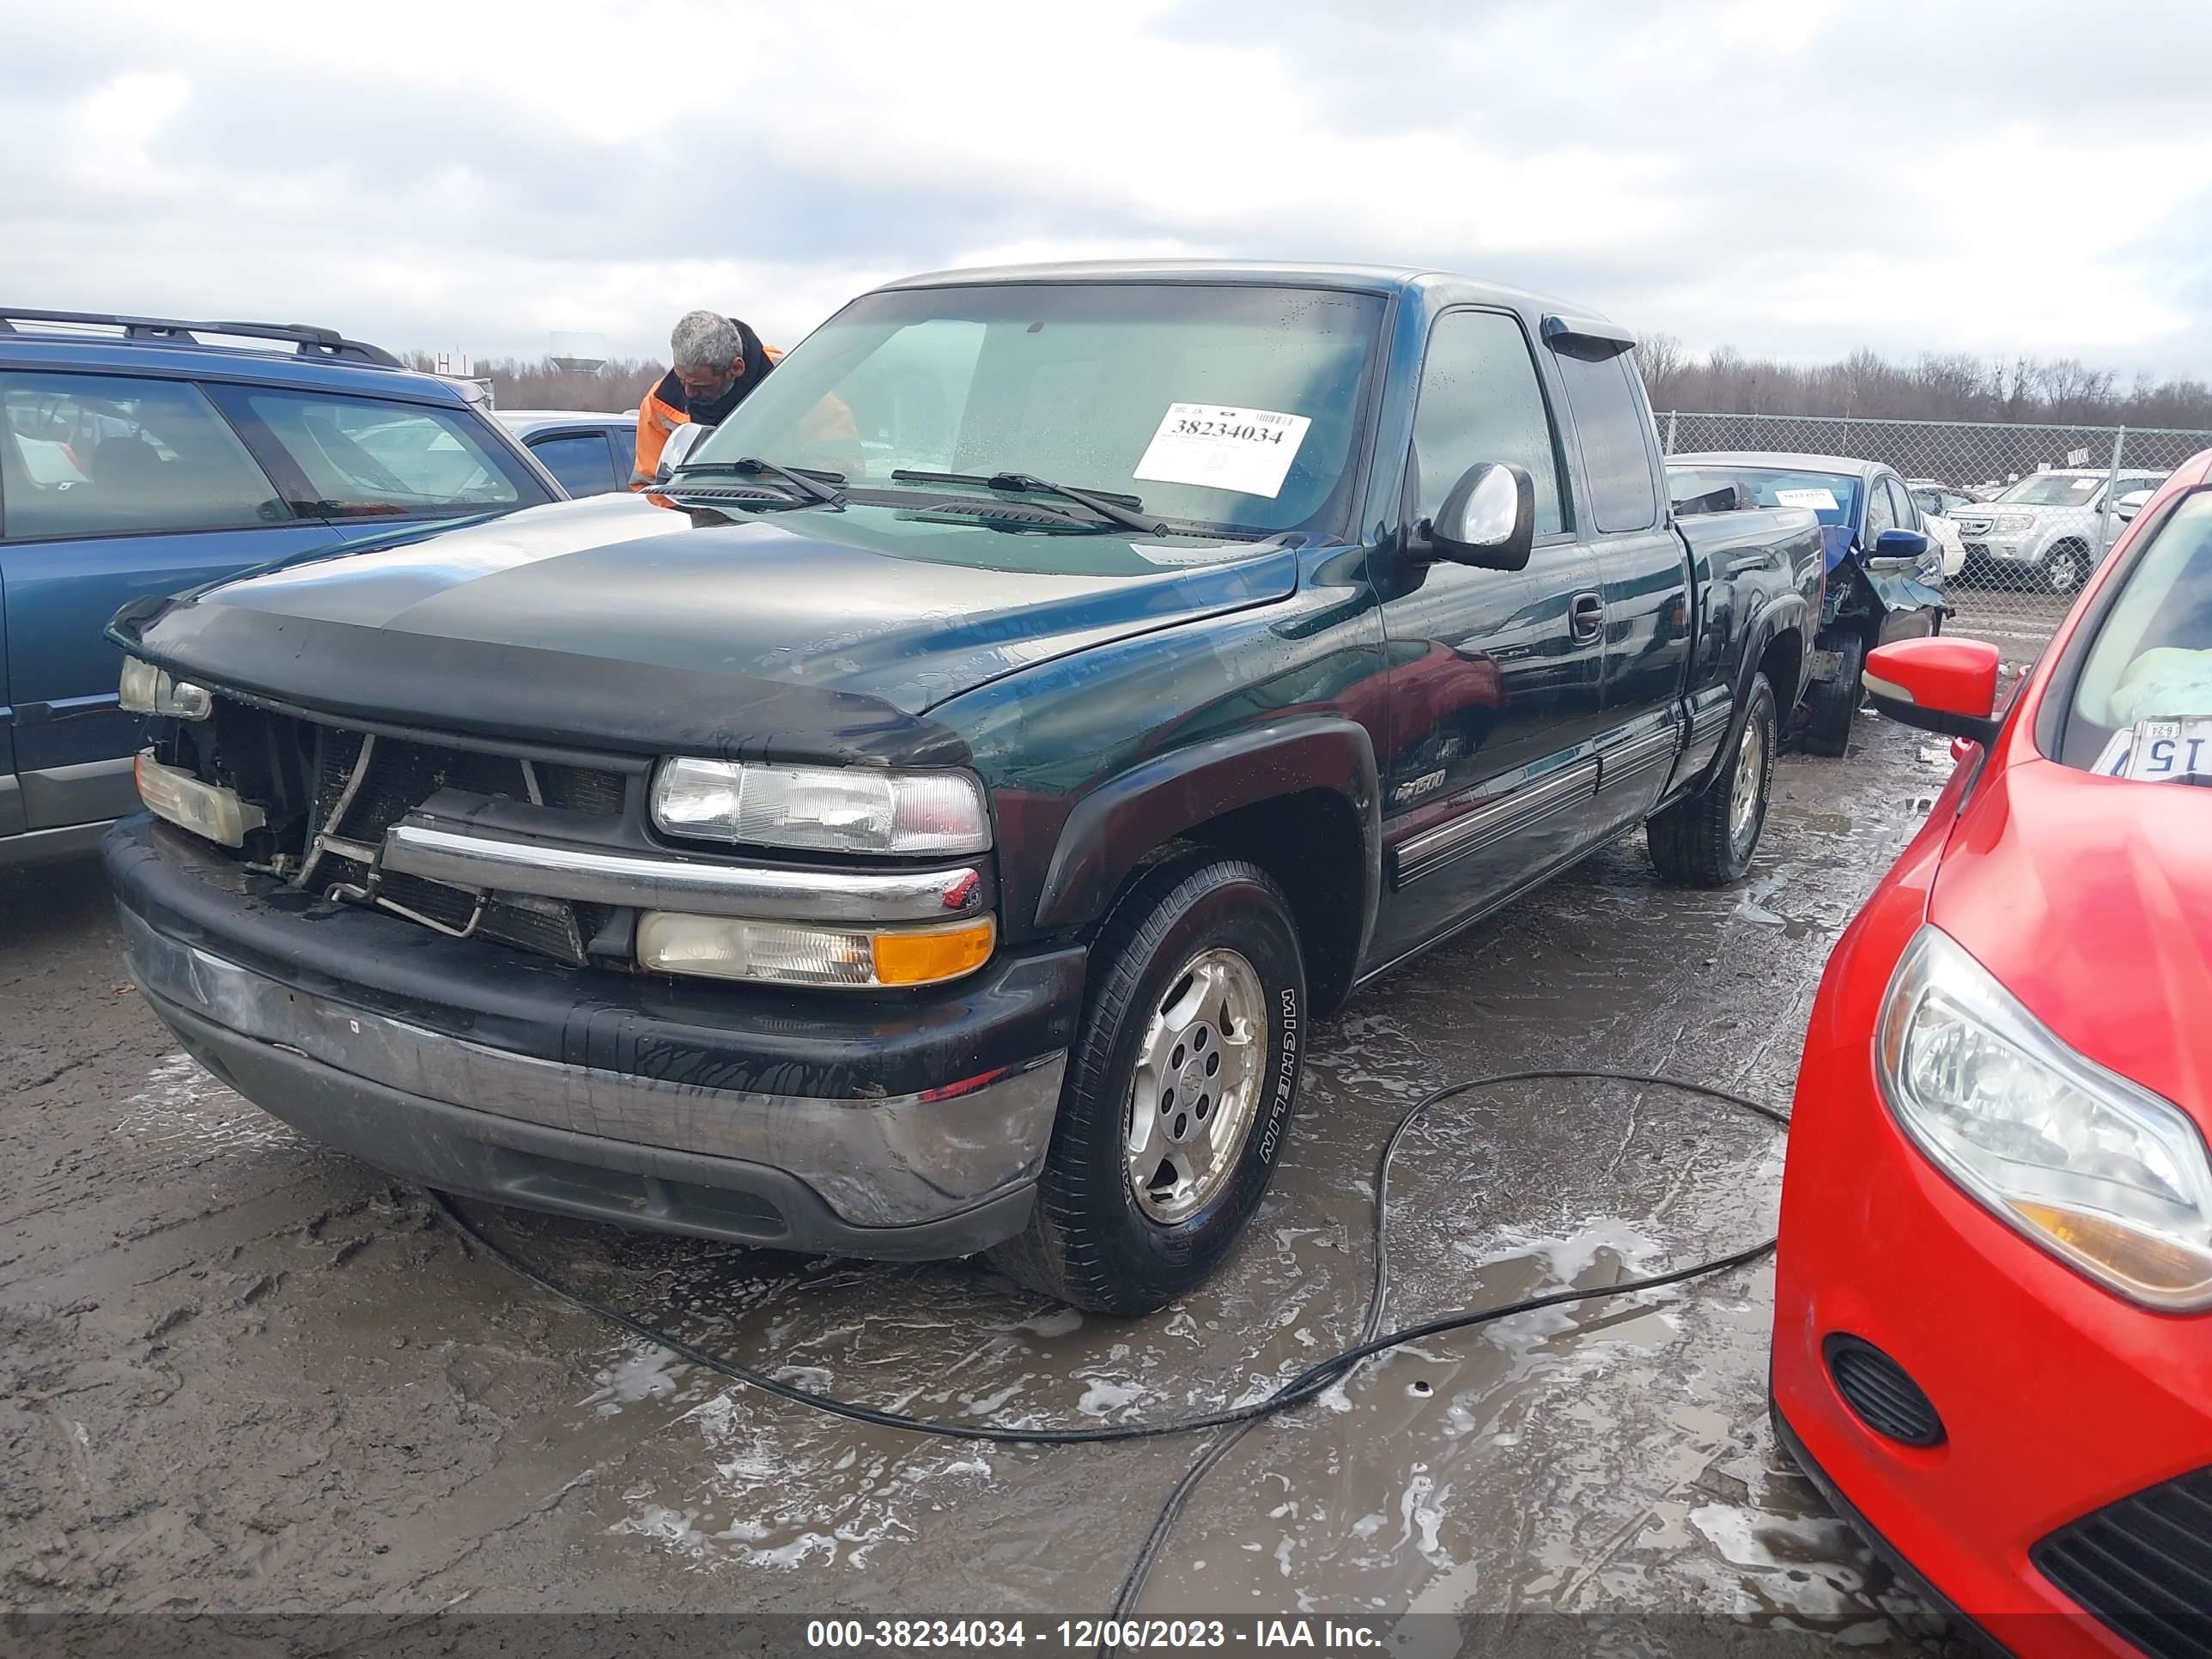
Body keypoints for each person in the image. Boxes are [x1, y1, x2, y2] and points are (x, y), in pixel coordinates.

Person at [629, 310, 781, 488]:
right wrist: (688, 510)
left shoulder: (790, 378)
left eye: (700, 386)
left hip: (778, 511)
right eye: (681, 381)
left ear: (736, 368)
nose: (688, 393)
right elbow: (649, 485)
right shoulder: (660, 403)